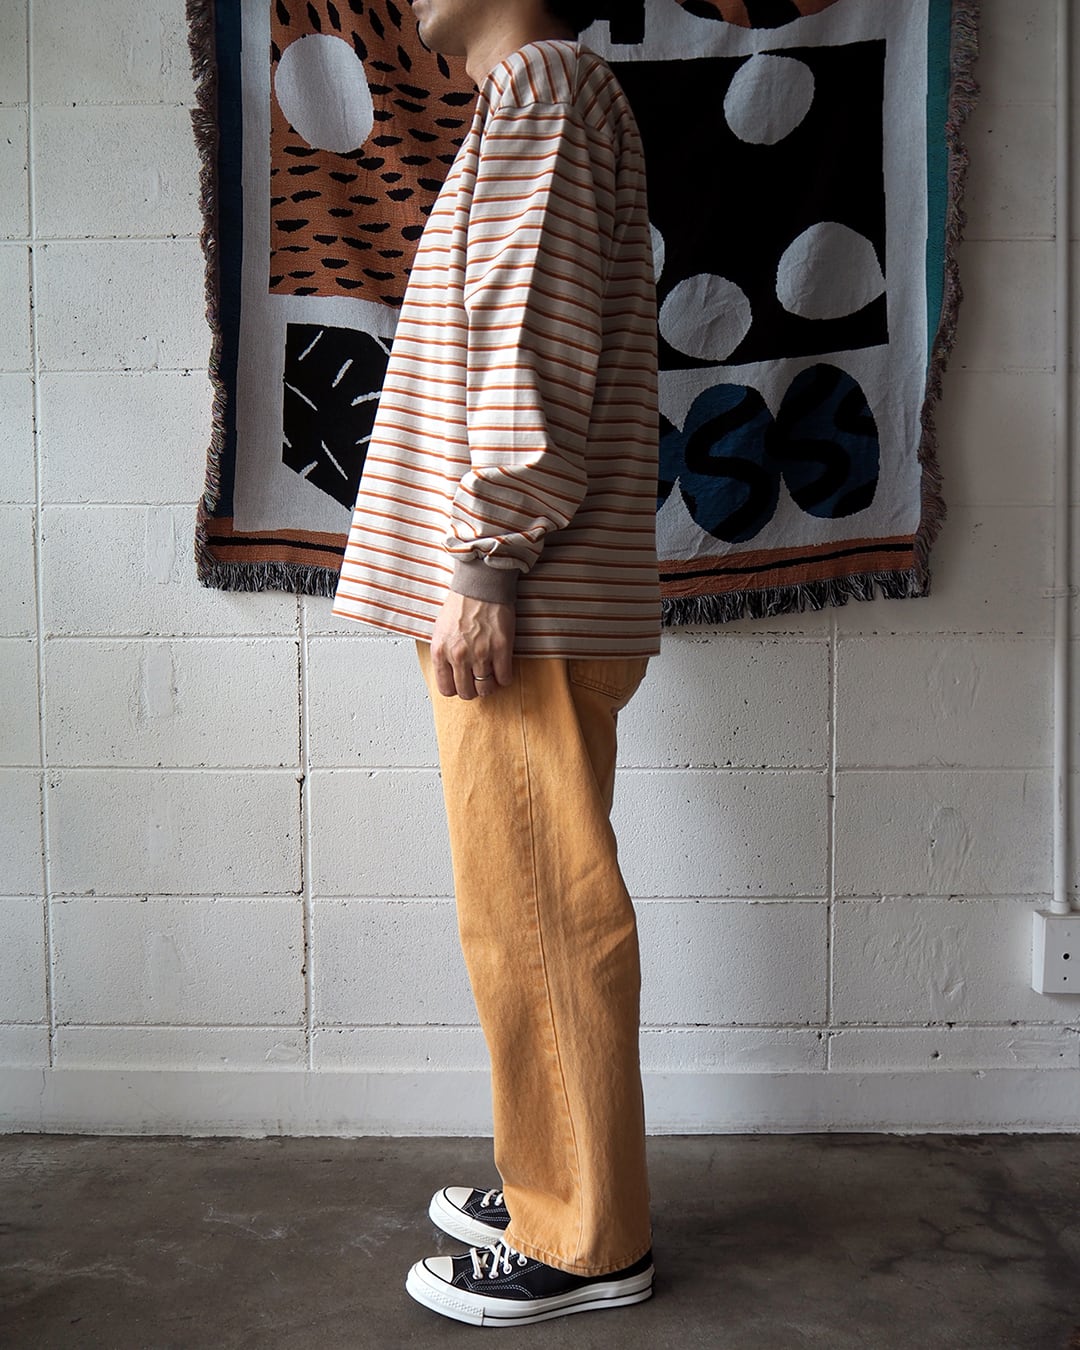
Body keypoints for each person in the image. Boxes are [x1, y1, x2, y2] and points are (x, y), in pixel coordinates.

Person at [331, 0, 661, 1328]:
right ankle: (554, 1181)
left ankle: (585, 1237)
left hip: (526, 599)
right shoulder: (544, 95)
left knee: (541, 915)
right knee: (521, 910)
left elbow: (527, 331)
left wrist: (484, 558)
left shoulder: (544, 88)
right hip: (533, 596)